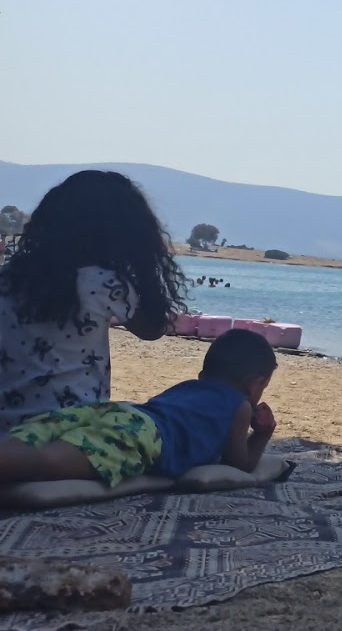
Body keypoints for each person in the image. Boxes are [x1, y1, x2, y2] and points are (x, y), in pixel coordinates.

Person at [0, 171, 186, 431]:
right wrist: (143, 266)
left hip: (8, 427)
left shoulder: (8, 277)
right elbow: (153, 330)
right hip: (71, 428)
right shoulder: (106, 284)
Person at [0, 327, 277, 487]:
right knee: (46, 462)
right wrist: (262, 434)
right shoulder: (239, 405)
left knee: (33, 438)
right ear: (255, 383)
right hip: (141, 434)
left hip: (119, 411)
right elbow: (238, 465)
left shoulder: (191, 387)